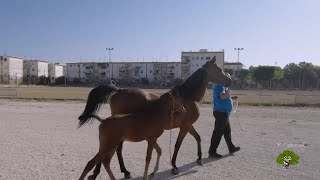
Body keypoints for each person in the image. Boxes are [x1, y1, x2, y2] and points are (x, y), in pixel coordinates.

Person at [208, 83, 240, 158]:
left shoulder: (222, 87)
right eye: (228, 77)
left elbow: (223, 98)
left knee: (227, 131)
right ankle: (212, 151)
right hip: (221, 113)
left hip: (223, 113)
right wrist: (229, 93)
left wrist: (231, 97)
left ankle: (231, 148)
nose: (229, 79)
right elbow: (222, 96)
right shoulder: (220, 86)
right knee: (218, 132)